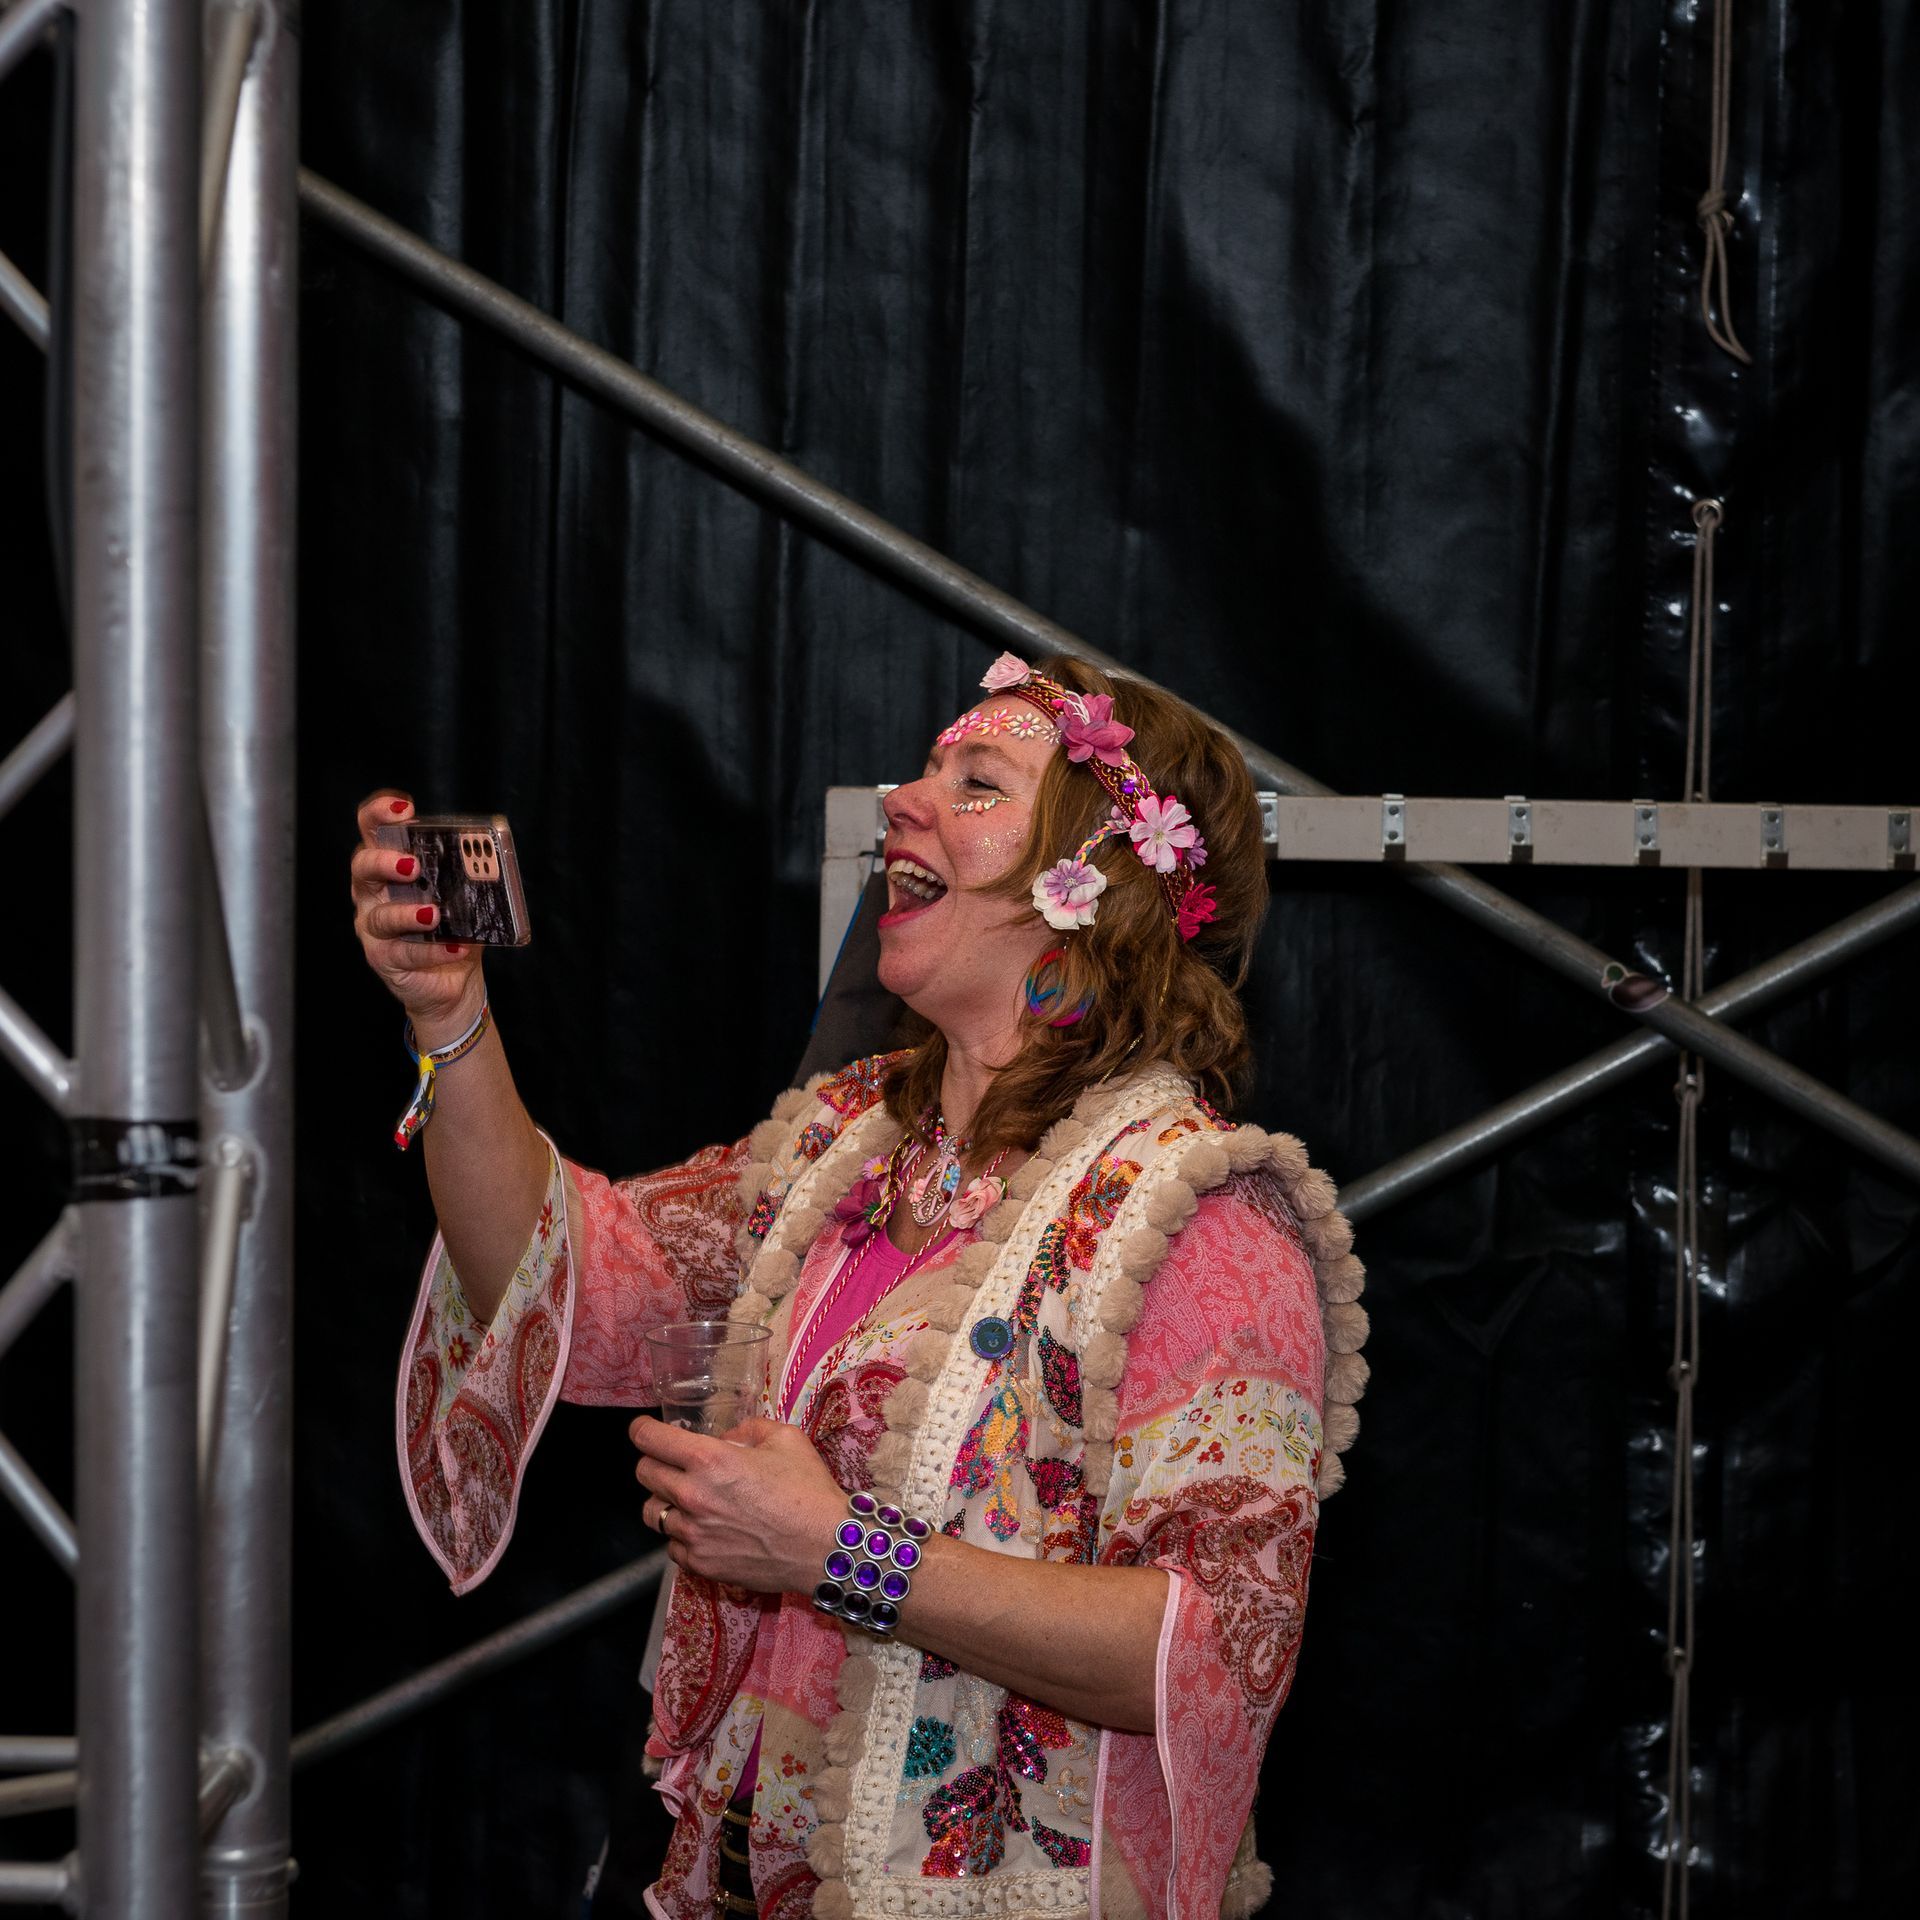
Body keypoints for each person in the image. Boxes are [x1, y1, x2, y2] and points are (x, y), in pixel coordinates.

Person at [352, 653, 1369, 1920]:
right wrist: (450, 1020)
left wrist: (841, 1553)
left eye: (976, 783)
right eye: (926, 768)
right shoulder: (844, 1145)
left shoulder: (1200, 1218)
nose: (904, 799)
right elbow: (558, 1274)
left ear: (1095, 883)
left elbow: (1215, 1651)